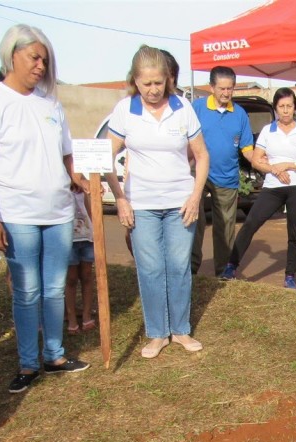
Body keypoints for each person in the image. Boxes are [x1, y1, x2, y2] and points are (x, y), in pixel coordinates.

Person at [0, 24, 90, 393]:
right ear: (12, 55)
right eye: (34, 57)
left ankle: (54, 355)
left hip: (58, 213)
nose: (40, 66)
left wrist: (80, 180)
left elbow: (67, 154)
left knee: (54, 288)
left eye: (44, 60)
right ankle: (28, 363)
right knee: (27, 290)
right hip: (17, 214)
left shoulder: (51, 104)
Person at [105, 46, 208, 359]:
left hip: (180, 203)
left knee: (178, 267)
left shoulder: (183, 108)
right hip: (141, 204)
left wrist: (195, 196)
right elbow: (105, 157)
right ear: (135, 81)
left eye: (158, 83)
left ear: (168, 80)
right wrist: (120, 198)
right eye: (146, 83)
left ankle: (180, 329)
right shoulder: (125, 110)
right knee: (150, 269)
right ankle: (157, 333)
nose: (153, 89)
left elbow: (202, 156)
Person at [220, 88, 296, 289]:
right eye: (281, 106)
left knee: (295, 231)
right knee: (251, 223)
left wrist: (287, 165)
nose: (285, 110)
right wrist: (274, 169)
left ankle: (290, 276)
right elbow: (256, 160)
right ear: (275, 108)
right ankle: (231, 266)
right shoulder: (267, 131)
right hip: (272, 186)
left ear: (295, 107)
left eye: (289, 106)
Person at [191, 66, 254, 277]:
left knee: (225, 227)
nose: (226, 93)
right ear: (211, 87)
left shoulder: (240, 114)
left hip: (226, 177)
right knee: (194, 221)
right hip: (197, 176)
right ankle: (190, 268)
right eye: (222, 88)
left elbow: (247, 150)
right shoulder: (197, 108)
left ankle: (223, 272)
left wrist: (267, 164)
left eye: (230, 89)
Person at [65, 188, 96, 334]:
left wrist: (95, 231)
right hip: (68, 239)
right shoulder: (62, 185)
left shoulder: (83, 188)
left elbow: (90, 211)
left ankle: (86, 316)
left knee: (87, 276)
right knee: (70, 279)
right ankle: (71, 318)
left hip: (87, 237)